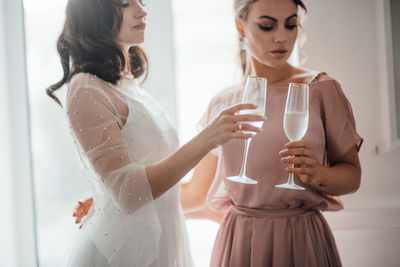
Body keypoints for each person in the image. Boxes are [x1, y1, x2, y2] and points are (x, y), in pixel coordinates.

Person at [46, 0, 266, 266]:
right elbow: (128, 194)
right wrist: (208, 138)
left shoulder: (125, 84)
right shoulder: (86, 88)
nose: (142, 11)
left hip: (162, 244)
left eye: (142, 1)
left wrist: (225, 211)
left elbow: (160, 191)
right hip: (124, 254)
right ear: (95, 12)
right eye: (127, 3)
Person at [180, 0, 363, 266]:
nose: (282, 37)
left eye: (291, 25)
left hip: (301, 240)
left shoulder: (321, 89)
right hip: (239, 242)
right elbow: (196, 194)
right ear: (240, 27)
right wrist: (119, 204)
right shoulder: (222, 102)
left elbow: (353, 176)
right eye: (267, 26)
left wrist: (316, 174)